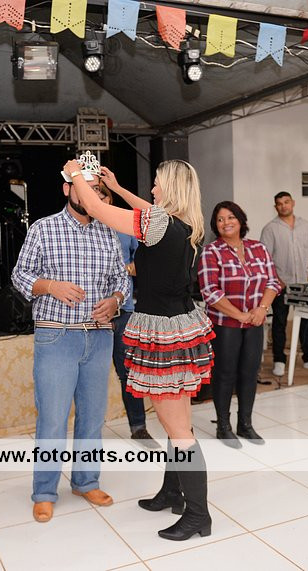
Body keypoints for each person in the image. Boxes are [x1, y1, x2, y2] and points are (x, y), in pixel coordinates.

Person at [67, 158, 214, 542]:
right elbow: (146, 210)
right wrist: (117, 187)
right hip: (180, 325)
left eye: (157, 183)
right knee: (179, 423)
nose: (152, 189)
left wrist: (76, 175)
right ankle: (173, 492)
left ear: (171, 188)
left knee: (178, 430)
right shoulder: (185, 224)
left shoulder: (159, 223)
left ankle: (198, 515)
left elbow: (95, 208)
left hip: (163, 332)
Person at [11, 168, 131, 525]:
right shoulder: (43, 228)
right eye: (84, 188)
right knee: (52, 418)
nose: (92, 195)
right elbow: (20, 275)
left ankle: (86, 481)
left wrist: (116, 300)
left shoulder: (108, 231)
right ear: (68, 189)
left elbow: (122, 278)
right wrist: (50, 286)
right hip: (57, 335)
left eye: (97, 190)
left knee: (93, 417)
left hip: (99, 335)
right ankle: (44, 492)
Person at [198, 201, 280, 449]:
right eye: (220, 219)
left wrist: (261, 309)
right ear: (216, 225)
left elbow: (273, 282)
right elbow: (209, 291)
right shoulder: (211, 251)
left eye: (231, 217)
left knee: (249, 372)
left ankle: (245, 424)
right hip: (224, 324)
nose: (226, 223)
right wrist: (239, 315)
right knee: (225, 374)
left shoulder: (258, 248)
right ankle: (223, 426)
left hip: (255, 321)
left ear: (241, 220)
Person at [100, 182, 159, 449]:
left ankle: (138, 428)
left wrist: (124, 269)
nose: (98, 201)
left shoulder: (124, 226)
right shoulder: (79, 230)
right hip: (89, 314)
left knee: (128, 372)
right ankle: (87, 432)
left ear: (109, 200)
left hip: (123, 311)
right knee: (89, 375)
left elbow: (145, 262)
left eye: (102, 197)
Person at [260, 192, 308, 376]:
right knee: (279, 323)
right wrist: (278, 281)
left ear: (293, 203)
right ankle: (279, 360)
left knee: (307, 322)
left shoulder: (306, 226)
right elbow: (265, 259)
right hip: (281, 285)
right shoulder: (270, 229)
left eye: (286, 202)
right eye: (279, 203)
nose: (283, 206)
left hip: (304, 284)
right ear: (275, 207)